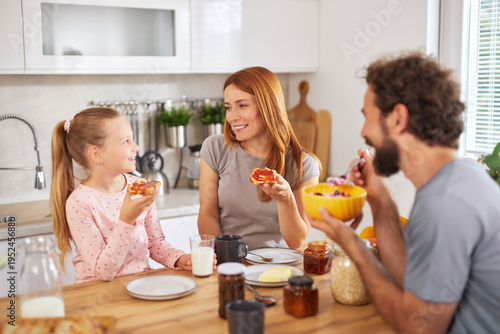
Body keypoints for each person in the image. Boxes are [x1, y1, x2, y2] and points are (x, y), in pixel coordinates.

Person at [311, 52, 500, 333]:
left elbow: (417, 327)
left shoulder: (444, 203)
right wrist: (379, 198)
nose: (364, 131)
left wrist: (352, 246)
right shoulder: (457, 179)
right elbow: (409, 278)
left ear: (398, 118)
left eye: (368, 117)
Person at [50, 107, 194, 283]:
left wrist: (180, 259)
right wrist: (126, 220)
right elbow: (103, 272)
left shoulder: (138, 187)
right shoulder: (80, 203)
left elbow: (155, 243)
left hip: (140, 286)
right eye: (126, 141)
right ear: (97, 154)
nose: (137, 147)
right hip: (96, 294)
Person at [198, 66, 320, 250]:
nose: (232, 117)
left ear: (268, 107)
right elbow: (208, 213)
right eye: (228, 107)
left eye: (242, 105)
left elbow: (296, 241)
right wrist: (217, 254)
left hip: (275, 264)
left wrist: (285, 198)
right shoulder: (215, 148)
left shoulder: (303, 164)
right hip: (228, 259)